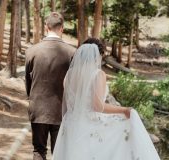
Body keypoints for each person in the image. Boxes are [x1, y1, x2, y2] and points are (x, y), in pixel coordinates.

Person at [52, 38, 161, 160]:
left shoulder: (69, 75)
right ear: (98, 55)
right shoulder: (97, 74)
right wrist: (124, 110)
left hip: (70, 124)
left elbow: (67, 103)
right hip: (88, 127)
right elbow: (97, 106)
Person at [25, 12, 75, 160]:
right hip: (62, 110)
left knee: (39, 150)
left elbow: (28, 82)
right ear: (62, 29)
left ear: (46, 27)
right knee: (60, 152)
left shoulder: (31, 51)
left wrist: (32, 99)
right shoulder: (72, 52)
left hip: (38, 107)